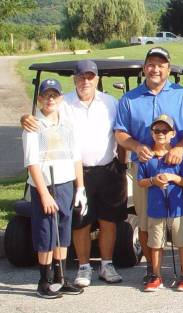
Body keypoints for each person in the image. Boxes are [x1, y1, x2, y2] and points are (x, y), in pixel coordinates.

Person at [20, 60, 127, 287]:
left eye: (90, 77)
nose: (85, 81)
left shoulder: (111, 102)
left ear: (97, 79)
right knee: (80, 222)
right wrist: (24, 118)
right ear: (74, 79)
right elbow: (42, 116)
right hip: (76, 173)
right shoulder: (63, 102)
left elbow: (121, 132)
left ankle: (106, 264)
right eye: (80, 77)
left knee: (108, 220)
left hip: (108, 168)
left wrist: (122, 163)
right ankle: (84, 267)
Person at [114, 47, 183, 284]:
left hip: (178, 166)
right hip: (145, 166)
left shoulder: (182, 95)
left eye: (161, 65)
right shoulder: (129, 99)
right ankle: (152, 271)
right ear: (144, 68)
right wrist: (135, 145)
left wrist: (181, 147)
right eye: (151, 64)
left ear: (168, 69)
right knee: (146, 220)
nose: (155, 69)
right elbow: (120, 132)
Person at [23, 79, 86, 299]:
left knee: (63, 231)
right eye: (46, 95)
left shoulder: (67, 124)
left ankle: (61, 278)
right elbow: (32, 164)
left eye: (54, 95)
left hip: (65, 183)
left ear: (60, 98)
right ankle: (44, 281)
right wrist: (44, 194)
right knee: (46, 233)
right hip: (45, 185)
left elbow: (76, 157)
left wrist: (80, 187)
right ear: (39, 98)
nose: (50, 99)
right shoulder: (33, 125)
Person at [135, 115, 183, 292]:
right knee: (156, 243)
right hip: (155, 208)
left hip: (177, 208)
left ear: (172, 134)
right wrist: (154, 180)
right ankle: (156, 275)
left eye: (165, 130)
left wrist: (172, 177)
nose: (160, 134)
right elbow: (141, 181)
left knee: (182, 241)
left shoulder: (179, 157)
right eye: (157, 130)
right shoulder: (146, 157)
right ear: (152, 133)